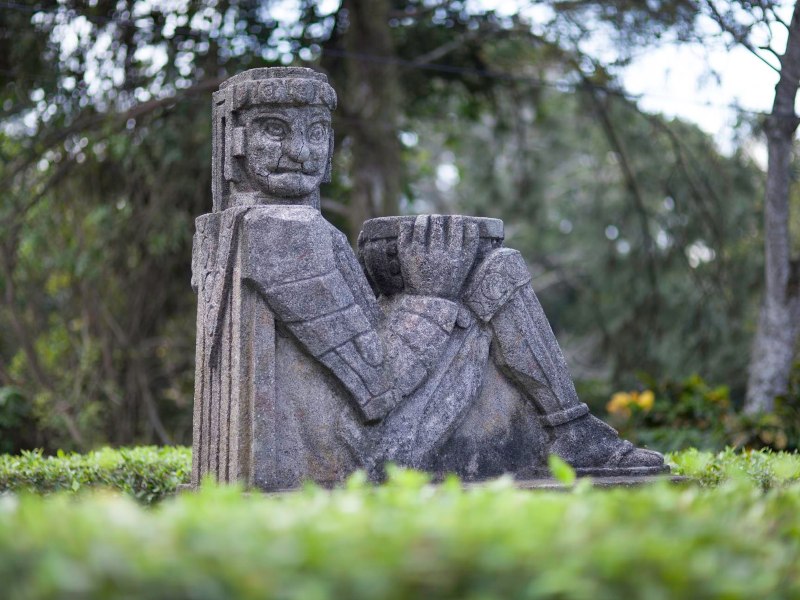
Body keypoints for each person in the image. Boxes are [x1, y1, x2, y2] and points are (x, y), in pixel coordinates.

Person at [201, 66, 665, 480]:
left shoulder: (248, 225)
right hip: (364, 454)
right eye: (274, 131)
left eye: (317, 131)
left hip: (350, 439)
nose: (301, 151)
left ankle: (573, 430)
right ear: (235, 141)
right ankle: (572, 431)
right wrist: (432, 295)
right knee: (500, 271)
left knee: (491, 272)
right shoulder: (286, 230)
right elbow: (378, 389)